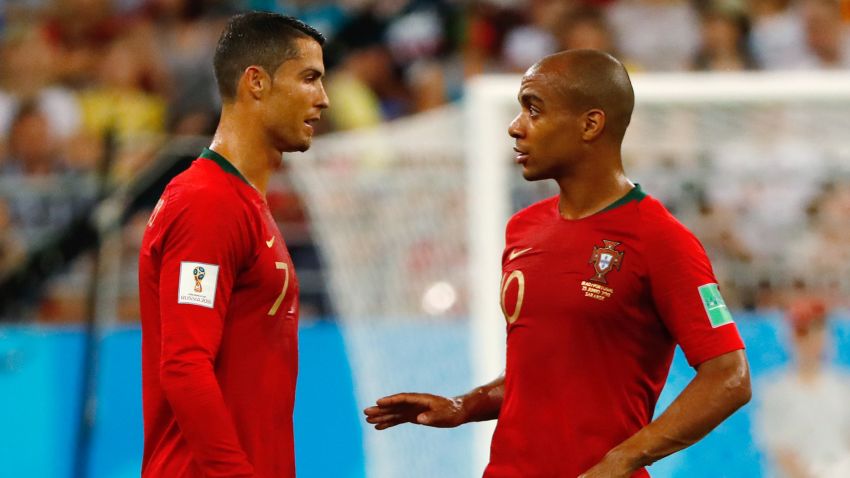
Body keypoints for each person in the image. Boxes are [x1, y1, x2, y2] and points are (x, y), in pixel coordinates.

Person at [364, 49, 751, 478]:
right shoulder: (523, 228)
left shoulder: (660, 238)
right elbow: (542, 372)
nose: (515, 126)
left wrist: (623, 459)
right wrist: (464, 406)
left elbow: (729, 376)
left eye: (533, 109)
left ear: (591, 124)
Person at [138, 12, 328, 477]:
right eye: (309, 78)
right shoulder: (208, 202)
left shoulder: (241, 202)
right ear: (256, 83)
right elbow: (184, 365)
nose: (323, 99)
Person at [755, 297, 850, 478]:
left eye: (819, 331)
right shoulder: (774, 390)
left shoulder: (844, 386)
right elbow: (779, 450)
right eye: (806, 333)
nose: (815, 340)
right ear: (792, 338)